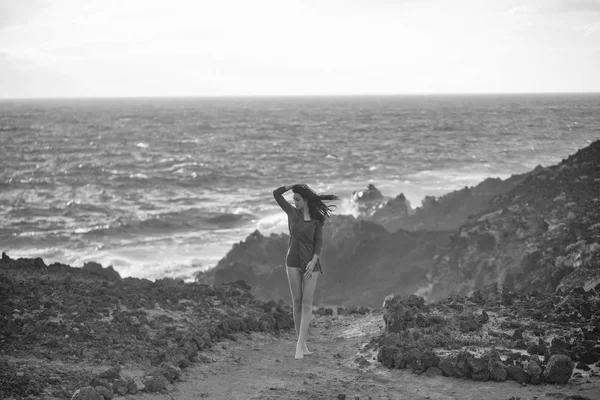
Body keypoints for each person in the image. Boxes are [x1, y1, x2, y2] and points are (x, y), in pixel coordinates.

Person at [273, 183, 338, 359]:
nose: (294, 202)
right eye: (293, 199)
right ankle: (301, 344)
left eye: (298, 199)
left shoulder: (317, 219)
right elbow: (276, 194)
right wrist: (292, 186)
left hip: (311, 264)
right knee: (297, 301)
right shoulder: (291, 213)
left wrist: (313, 261)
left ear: (306, 200)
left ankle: (300, 344)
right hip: (292, 261)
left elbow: (318, 242)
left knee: (307, 303)